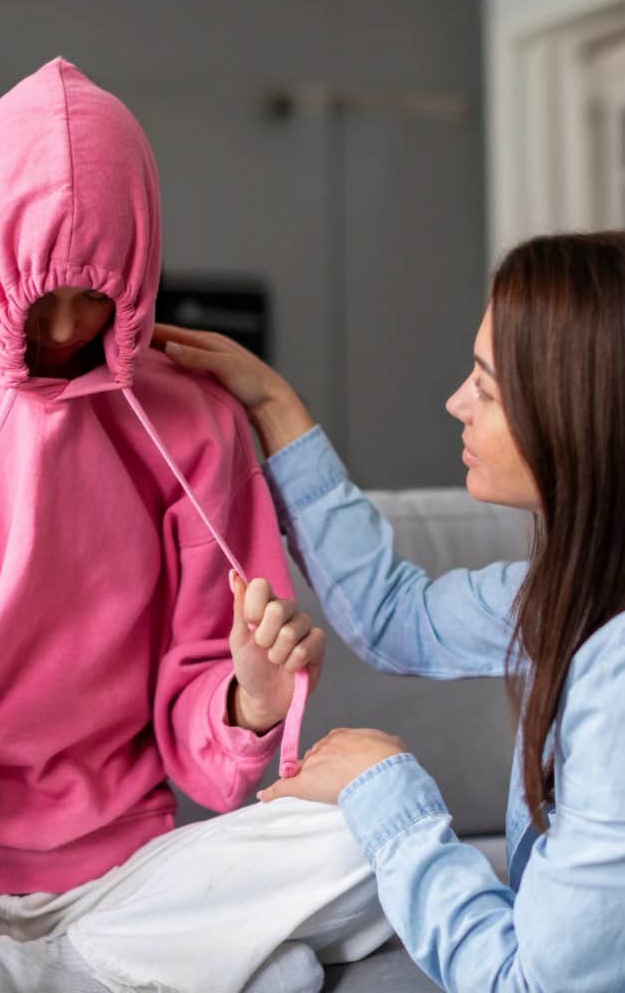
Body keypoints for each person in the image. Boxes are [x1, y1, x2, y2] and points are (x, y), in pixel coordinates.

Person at [0, 59, 391, 993]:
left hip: (118, 877)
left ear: (139, 265)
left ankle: (16, 969)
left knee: (377, 828)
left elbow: (210, 754)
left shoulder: (196, 424)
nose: (65, 326)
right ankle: (48, 967)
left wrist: (250, 704)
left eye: (94, 291)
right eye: (37, 291)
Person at [156, 230, 625, 992]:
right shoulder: (578, 594)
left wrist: (385, 784)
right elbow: (397, 616)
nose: (456, 403)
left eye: (489, 386)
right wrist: (275, 406)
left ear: (579, 418)